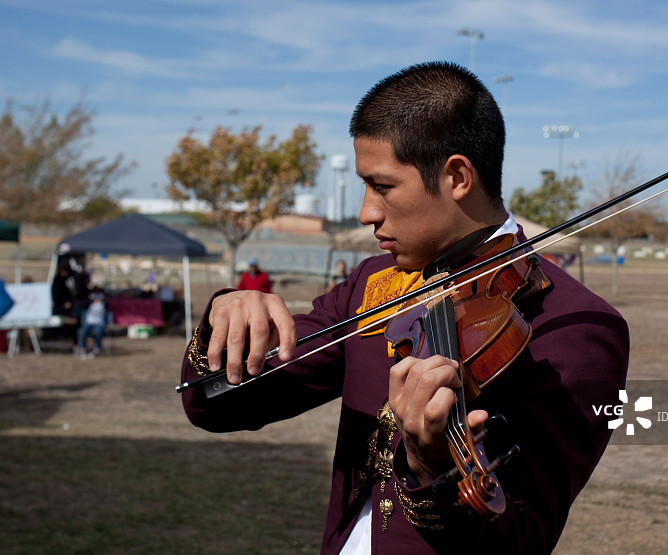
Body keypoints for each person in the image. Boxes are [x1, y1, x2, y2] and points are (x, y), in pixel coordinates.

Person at [180, 62, 629, 554]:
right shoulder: (373, 282)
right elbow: (218, 404)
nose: (366, 212)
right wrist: (228, 318)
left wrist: (434, 467)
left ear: (458, 177)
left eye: (384, 186)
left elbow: (523, 540)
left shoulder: (577, 326)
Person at [78, 290, 107, 358]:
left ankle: (97, 349)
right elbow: (82, 304)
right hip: (89, 323)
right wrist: (89, 299)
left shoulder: (102, 305)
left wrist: (101, 298)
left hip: (99, 323)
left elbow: (107, 303)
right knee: (83, 332)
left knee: (98, 332)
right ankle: (83, 349)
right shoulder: (89, 304)